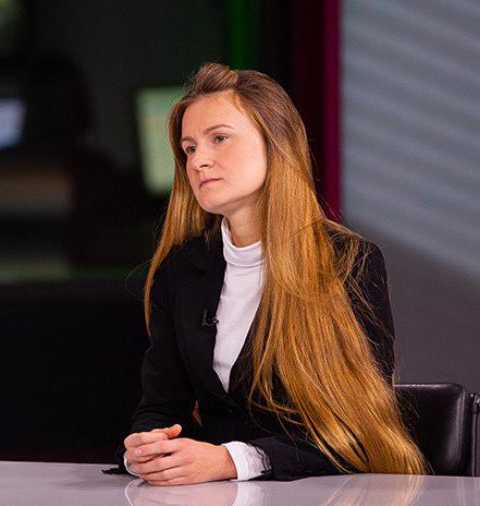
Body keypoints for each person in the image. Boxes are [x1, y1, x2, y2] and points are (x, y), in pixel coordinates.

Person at [117, 63, 427, 485]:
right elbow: (160, 408)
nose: (199, 161)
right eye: (189, 149)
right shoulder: (181, 270)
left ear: (275, 143)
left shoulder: (347, 263)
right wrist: (145, 450)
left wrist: (232, 461)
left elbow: (358, 429)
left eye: (219, 139)